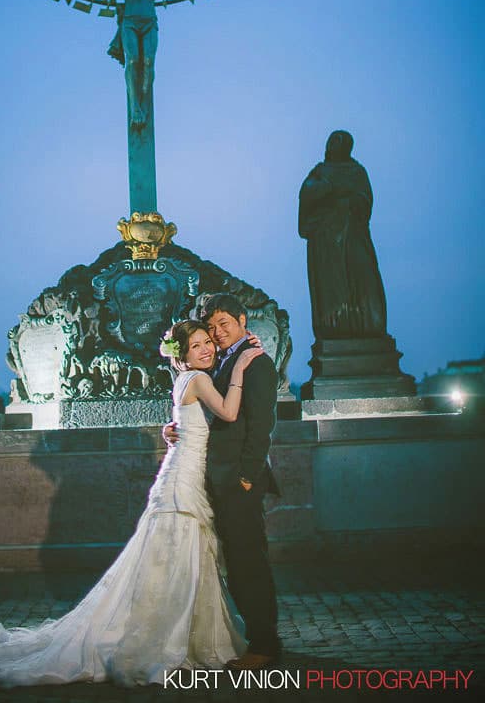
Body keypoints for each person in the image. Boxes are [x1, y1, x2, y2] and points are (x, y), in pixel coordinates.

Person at [0, 320, 261, 688]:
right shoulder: (198, 379)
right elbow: (229, 413)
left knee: (172, 554)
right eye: (196, 345)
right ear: (181, 355)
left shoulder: (186, 380)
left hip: (182, 470)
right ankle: (171, 634)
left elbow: (189, 421)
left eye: (206, 343)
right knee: (176, 552)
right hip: (183, 478)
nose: (206, 349)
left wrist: (172, 429)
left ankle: (175, 629)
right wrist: (242, 367)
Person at [163, 293, 281, 671]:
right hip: (217, 478)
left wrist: (247, 475)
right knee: (235, 559)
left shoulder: (257, 363)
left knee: (248, 561)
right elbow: (208, 412)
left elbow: (261, 425)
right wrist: (178, 428)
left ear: (243, 320)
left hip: (238, 480)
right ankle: (254, 636)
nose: (217, 333)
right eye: (211, 328)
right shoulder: (223, 362)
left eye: (224, 324)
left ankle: (265, 643)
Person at [50, 0, 219, 128]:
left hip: (149, 19)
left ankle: (144, 106)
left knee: (148, 61)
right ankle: (135, 107)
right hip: (130, 20)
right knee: (132, 61)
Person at [298, 129, 387, 338]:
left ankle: (369, 325)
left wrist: (343, 202)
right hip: (326, 242)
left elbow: (364, 201)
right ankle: (334, 326)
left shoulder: (357, 172)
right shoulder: (319, 172)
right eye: (331, 143)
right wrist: (327, 189)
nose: (332, 147)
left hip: (352, 236)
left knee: (364, 277)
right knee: (332, 288)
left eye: (338, 143)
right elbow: (307, 193)